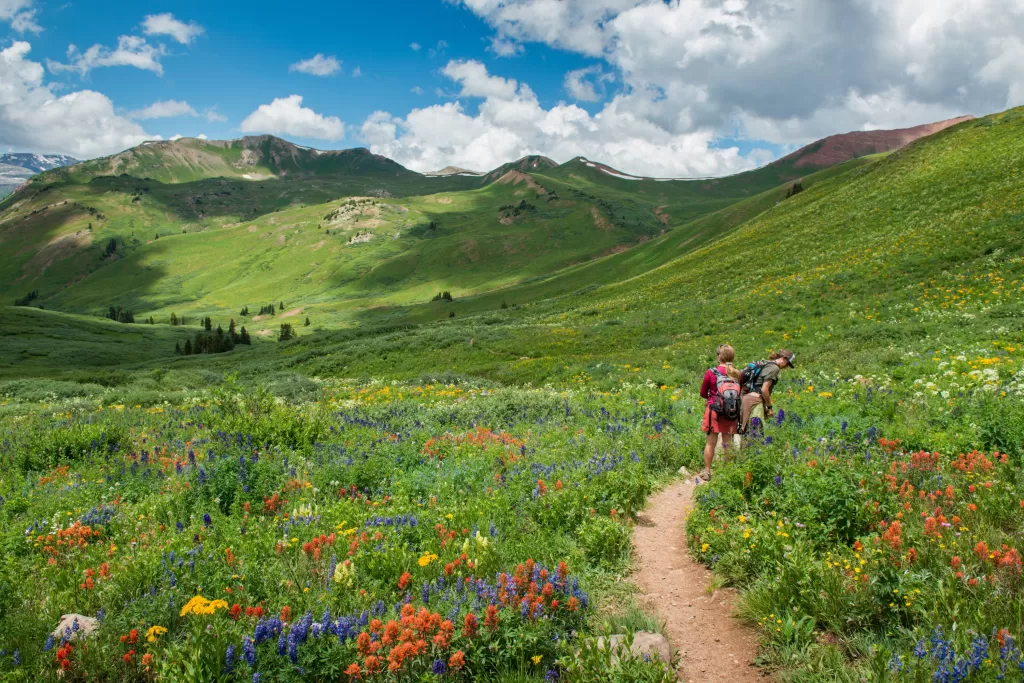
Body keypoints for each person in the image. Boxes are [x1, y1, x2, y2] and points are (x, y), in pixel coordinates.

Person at [698, 344, 743, 481]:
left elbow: (702, 393)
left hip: (714, 411)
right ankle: (727, 472)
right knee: (727, 442)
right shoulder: (738, 373)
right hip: (731, 412)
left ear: (719, 357)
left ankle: (707, 471)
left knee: (711, 442)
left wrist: (714, 398)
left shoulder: (711, 372)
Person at [740, 349, 796, 436]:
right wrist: (769, 407)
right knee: (755, 434)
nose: (787, 367)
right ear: (784, 358)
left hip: (745, 398)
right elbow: (764, 389)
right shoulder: (775, 368)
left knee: (744, 432)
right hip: (755, 401)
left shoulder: (766, 363)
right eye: (788, 363)